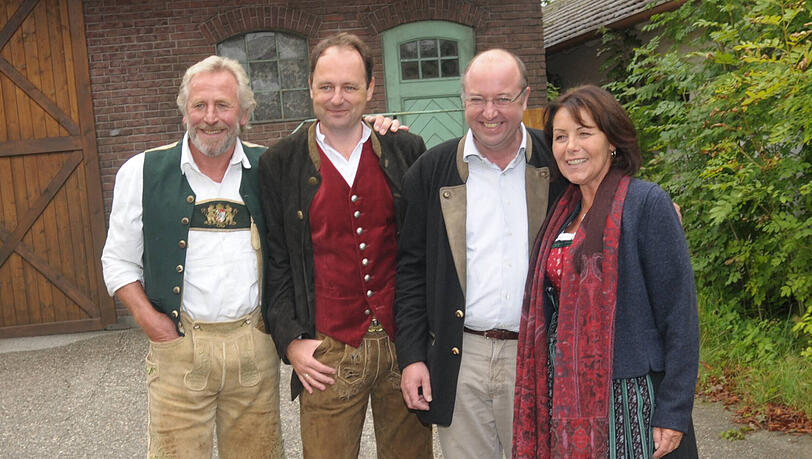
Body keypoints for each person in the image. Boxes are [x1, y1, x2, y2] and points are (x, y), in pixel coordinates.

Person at [258, 32, 433, 459]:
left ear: (371, 89)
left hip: (402, 343)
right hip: (328, 349)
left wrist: (425, 340)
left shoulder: (405, 148)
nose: (338, 98)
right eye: (326, 87)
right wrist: (291, 340)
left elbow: (426, 250)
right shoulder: (279, 163)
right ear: (311, 89)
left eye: (350, 87)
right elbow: (276, 262)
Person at [101, 56, 284, 458]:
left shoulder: (272, 166)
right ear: (184, 112)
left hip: (253, 345)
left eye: (223, 105)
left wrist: (381, 131)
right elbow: (117, 261)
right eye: (199, 105)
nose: (210, 118)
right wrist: (153, 325)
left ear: (245, 113)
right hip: (179, 346)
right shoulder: (142, 171)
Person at [395, 49, 568, 458]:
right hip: (462, 358)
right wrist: (413, 356)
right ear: (464, 101)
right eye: (477, 99)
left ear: (525, 100)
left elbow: (606, 183)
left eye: (503, 99)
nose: (490, 112)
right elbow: (411, 271)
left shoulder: (558, 163)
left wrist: (646, 205)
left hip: (538, 356)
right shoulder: (432, 170)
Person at [512, 85, 699, 458]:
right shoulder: (560, 213)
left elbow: (680, 317)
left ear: (612, 140)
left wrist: (674, 411)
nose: (571, 146)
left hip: (632, 399)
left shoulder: (646, 203)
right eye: (561, 137)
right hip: (566, 395)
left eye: (584, 133)